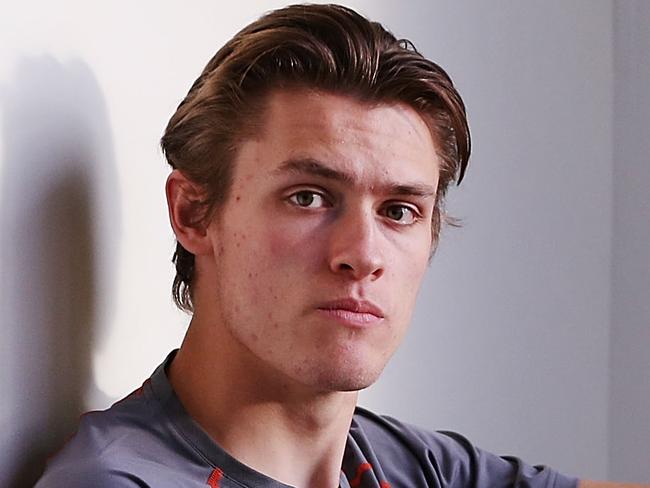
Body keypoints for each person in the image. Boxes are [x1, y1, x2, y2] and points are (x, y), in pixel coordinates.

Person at [35, 4, 644, 488]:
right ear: (194, 213)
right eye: (309, 196)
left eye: (400, 210)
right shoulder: (120, 480)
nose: (362, 253)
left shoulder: (406, 465)